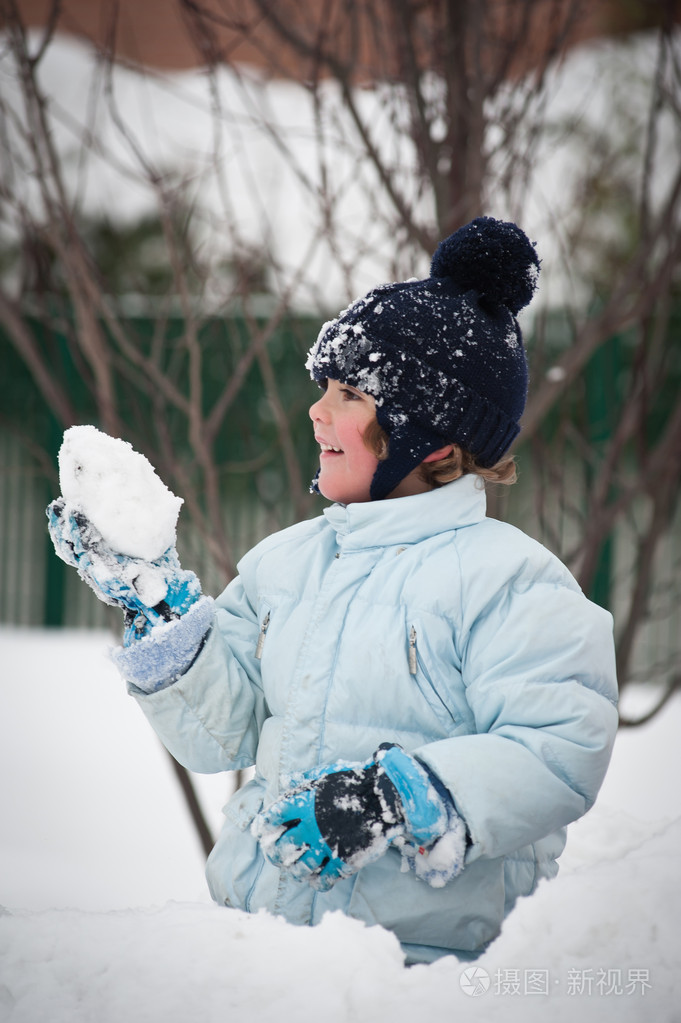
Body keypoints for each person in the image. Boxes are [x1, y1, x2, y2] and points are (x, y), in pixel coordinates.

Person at [48, 217, 619, 965]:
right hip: (259, 951)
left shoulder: (510, 583)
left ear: (431, 441)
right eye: (324, 386)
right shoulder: (285, 564)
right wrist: (159, 605)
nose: (316, 410)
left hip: (416, 974)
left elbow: (558, 750)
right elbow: (219, 735)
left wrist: (398, 797)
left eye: (348, 392)